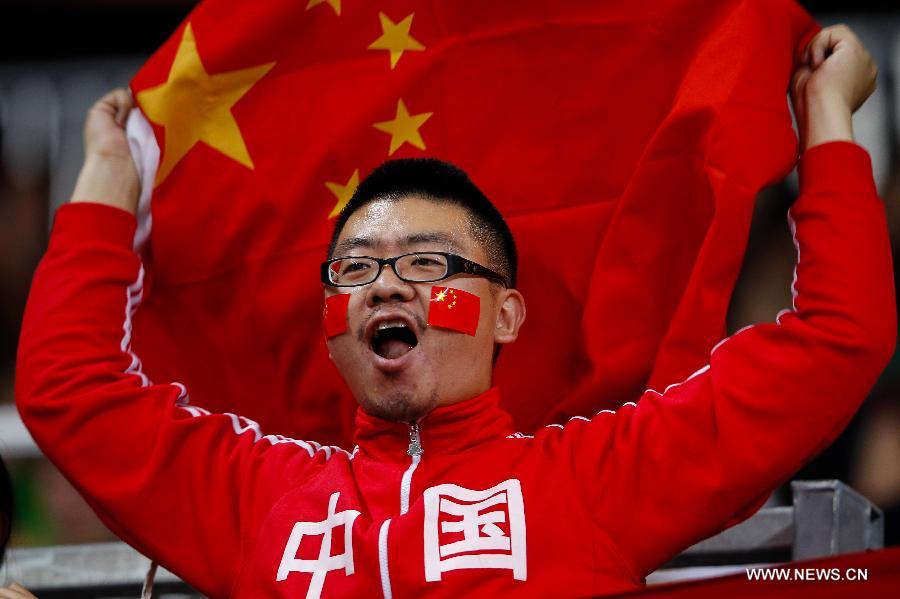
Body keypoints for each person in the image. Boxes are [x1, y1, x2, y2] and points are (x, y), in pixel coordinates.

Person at [14, 24, 894, 598]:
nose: (385, 285)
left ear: (508, 315)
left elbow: (833, 340)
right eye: (354, 268)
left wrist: (825, 119)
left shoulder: (596, 479)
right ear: (333, 320)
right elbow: (67, 389)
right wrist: (106, 184)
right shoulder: (257, 496)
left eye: (425, 263)